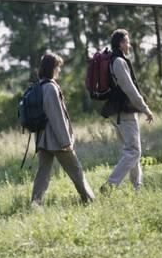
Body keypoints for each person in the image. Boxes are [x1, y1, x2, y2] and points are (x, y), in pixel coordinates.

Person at [31, 53, 95, 205]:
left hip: (42, 139)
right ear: (51, 68)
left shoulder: (38, 86)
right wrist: (65, 141)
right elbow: (56, 117)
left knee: (43, 173)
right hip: (56, 140)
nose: (59, 70)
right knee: (76, 170)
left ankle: (36, 203)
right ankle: (90, 200)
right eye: (57, 66)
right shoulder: (51, 88)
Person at [100, 29, 154, 192]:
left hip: (119, 112)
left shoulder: (114, 60)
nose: (129, 44)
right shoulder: (118, 62)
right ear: (121, 44)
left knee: (131, 149)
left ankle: (137, 187)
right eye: (127, 41)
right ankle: (109, 187)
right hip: (124, 113)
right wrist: (145, 108)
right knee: (133, 151)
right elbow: (130, 89)